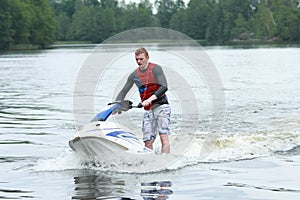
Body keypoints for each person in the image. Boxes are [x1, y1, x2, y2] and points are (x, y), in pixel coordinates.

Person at [115, 47, 171, 153]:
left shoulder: (156, 69)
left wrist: (149, 100)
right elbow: (124, 91)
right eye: (137, 59)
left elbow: (164, 86)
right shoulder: (134, 75)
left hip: (162, 107)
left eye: (141, 59)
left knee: (163, 136)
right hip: (148, 110)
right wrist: (116, 106)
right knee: (147, 141)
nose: (139, 62)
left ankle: (166, 161)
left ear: (147, 57)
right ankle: (150, 162)